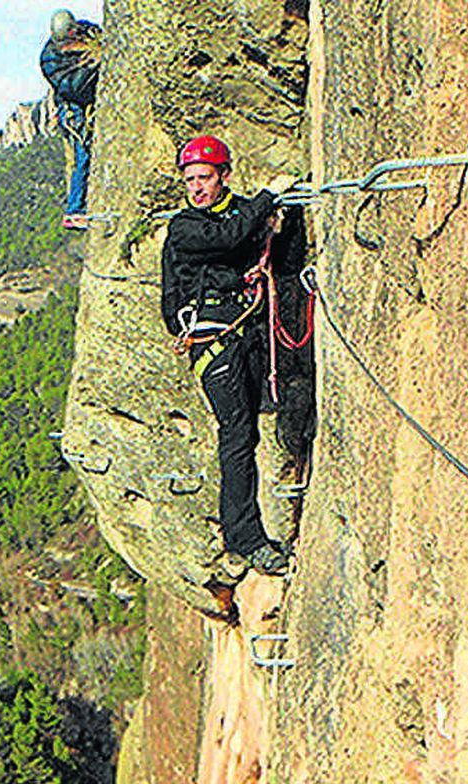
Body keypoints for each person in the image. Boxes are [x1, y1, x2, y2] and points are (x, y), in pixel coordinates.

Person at [160, 134, 311, 578]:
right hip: (215, 342)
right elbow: (230, 236)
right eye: (190, 179)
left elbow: (260, 240)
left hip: (249, 334)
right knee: (238, 434)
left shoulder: (244, 211)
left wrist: (286, 212)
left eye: (204, 177)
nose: (196, 187)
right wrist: (268, 199)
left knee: (255, 430)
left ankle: (251, 532)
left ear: (224, 174)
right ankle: (245, 538)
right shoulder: (186, 228)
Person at [39, 9, 101, 229]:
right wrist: (93, 66)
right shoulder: (50, 58)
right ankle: (74, 209)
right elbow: (73, 88)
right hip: (73, 110)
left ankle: (76, 207)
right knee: (81, 156)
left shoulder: (87, 31)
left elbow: (99, 35)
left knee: (84, 156)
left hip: (81, 104)